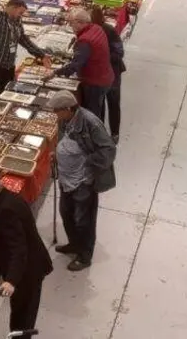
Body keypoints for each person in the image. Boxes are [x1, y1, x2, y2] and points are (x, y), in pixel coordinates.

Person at [0, 167, 52, 334]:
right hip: (29, 263)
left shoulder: (6, 208)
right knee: (21, 312)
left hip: (28, 271)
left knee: (22, 316)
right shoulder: (8, 198)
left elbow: (18, 248)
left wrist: (11, 281)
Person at [45, 90, 117, 272]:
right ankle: (74, 244)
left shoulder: (90, 123)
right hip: (66, 178)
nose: (55, 114)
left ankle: (85, 255)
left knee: (83, 220)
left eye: (57, 110)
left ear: (68, 108)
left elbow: (108, 150)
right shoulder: (65, 119)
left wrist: (86, 161)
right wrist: (59, 154)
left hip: (83, 181)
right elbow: (64, 140)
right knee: (66, 213)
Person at [0, 0, 48, 105]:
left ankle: (1, 110)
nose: (21, 15)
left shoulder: (17, 21)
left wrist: (41, 54)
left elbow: (23, 39)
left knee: (6, 91)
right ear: (12, 8)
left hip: (8, 64)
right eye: (20, 12)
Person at [47, 7, 114, 116]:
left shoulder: (85, 40)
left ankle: (93, 132)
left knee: (91, 113)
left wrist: (55, 73)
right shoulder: (96, 28)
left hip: (94, 82)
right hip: (105, 76)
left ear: (79, 22)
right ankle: (100, 127)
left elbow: (75, 65)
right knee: (98, 108)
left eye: (71, 23)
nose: (70, 26)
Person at [89, 7, 126, 141]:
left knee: (113, 103)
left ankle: (115, 133)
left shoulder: (109, 31)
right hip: (99, 75)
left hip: (113, 74)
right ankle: (102, 132)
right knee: (100, 104)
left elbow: (119, 52)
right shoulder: (91, 31)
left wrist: (102, 57)